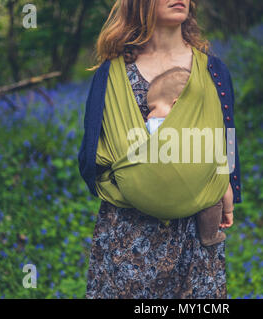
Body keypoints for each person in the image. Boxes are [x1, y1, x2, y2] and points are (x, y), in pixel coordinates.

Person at [80, 0, 242, 299]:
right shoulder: (113, 74)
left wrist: (227, 181)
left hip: (195, 230)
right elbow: (94, 151)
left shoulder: (212, 70)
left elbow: (225, 133)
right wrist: (127, 189)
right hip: (129, 229)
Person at [144, 66, 233, 246]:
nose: (148, 115)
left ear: (177, 105)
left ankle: (162, 221)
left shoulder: (150, 126)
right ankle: (209, 235)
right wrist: (229, 209)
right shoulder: (202, 130)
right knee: (218, 189)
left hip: (160, 191)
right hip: (196, 189)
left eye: (152, 108)